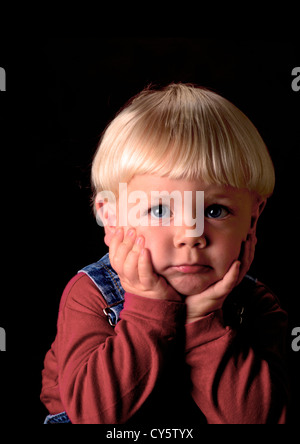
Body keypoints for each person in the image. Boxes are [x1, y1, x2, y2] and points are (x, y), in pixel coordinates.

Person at [41, 83, 289, 424]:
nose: (191, 236)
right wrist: (147, 307)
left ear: (253, 218)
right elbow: (91, 417)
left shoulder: (257, 305)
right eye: (159, 210)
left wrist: (203, 319)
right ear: (111, 218)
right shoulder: (91, 296)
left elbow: (259, 419)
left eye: (215, 211)